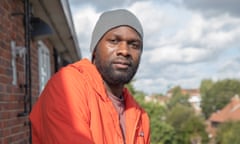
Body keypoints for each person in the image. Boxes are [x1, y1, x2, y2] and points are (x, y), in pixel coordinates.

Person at [29, 9, 150, 144]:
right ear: (95, 49)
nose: (125, 51)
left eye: (134, 45)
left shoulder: (140, 115)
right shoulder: (67, 86)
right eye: (114, 41)